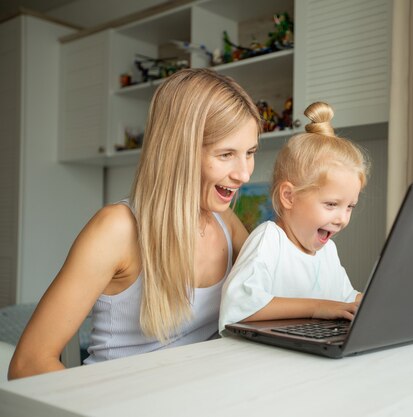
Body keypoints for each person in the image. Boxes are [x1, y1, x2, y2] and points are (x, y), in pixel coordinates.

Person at [9, 68, 261, 379]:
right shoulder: (117, 229)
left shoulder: (225, 220)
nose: (244, 174)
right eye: (226, 154)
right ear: (177, 151)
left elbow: (270, 292)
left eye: (249, 153)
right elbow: (28, 365)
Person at [219, 102, 369, 333]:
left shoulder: (327, 251)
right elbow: (240, 305)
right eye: (331, 204)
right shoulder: (269, 241)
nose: (342, 219)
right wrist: (318, 307)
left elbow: (345, 298)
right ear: (289, 196)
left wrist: (372, 302)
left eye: (350, 206)